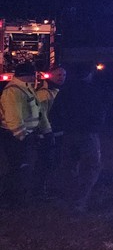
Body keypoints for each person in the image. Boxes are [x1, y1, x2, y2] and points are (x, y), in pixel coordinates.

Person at [50, 63, 107, 213]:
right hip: (88, 134)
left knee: (69, 167)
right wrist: (96, 127)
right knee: (91, 166)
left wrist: (61, 127)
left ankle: (71, 197)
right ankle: (81, 200)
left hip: (69, 134)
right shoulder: (94, 90)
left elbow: (54, 112)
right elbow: (101, 112)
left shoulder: (65, 91)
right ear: (89, 74)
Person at [0, 62, 51, 206]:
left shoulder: (25, 88)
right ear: (27, 75)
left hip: (24, 136)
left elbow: (37, 111)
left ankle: (17, 197)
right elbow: (13, 118)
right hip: (15, 138)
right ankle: (11, 199)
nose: (35, 77)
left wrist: (44, 131)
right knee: (16, 168)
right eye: (33, 74)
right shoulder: (12, 91)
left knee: (22, 168)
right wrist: (23, 137)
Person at [34, 66, 65, 199]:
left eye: (64, 75)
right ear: (50, 76)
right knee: (44, 162)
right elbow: (42, 116)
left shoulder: (57, 91)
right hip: (46, 135)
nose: (61, 77)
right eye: (58, 75)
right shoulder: (44, 94)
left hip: (57, 132)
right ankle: (39, 190)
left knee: (53, 162)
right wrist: (47, 133)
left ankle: (45, 188)